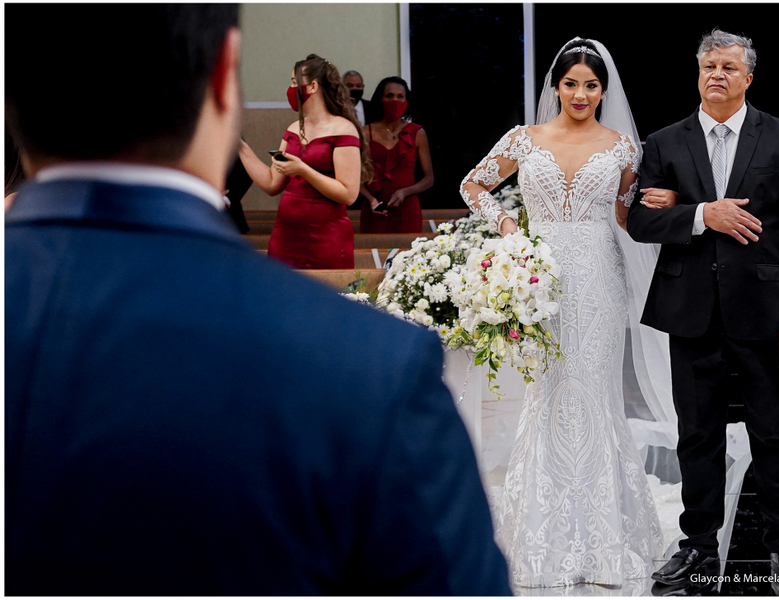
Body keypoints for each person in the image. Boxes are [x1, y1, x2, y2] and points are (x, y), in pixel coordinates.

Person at [5, 5, 510, 595]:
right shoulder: (371, 369)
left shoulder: (340, 136)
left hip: (324, 234)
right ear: (224, 78)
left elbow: (346, 191)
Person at [460, 38, 678, 588]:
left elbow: (627, 218)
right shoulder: (524, 140)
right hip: (540, 280)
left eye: (592, 85)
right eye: (572, 83)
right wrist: (512, 231)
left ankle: (607, 540)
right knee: (548, 392)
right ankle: (539, 533)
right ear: (556, 86)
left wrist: (664, 207)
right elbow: (473, 186)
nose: (581, 94)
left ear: (604, 91)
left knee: (594, 392)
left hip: (600, 281)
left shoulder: (624, 147)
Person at [627, 29, 779, 593]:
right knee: (698, 434)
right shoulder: (665, 143)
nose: (717, 74)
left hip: (764, 311)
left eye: (729, 67)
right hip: (690, 310)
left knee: (773, 432)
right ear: (697, 74)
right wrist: (698, 214)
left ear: (749, 77)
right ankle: (697, 546)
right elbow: (640, 222)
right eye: (709, 65)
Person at [239, 56, 371, 269]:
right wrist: (238, 145)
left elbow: (348, 194)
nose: (290, 89)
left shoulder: (343, 129)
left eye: (293, 82)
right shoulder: (293, 128)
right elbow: (272, 184)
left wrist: (302, 169)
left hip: (326, 235)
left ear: (312, 86)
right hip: (286, 235)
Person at [359, 76, 434, 233]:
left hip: (407, 210)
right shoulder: (366, 133)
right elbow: (355, 177)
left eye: (400, 96)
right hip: (375, 210)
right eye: (390, 96)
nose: (395, 101)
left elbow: (429, 179)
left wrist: (405, 192)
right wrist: (371, 200)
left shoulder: (417, 133)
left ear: (407, 101)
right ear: (381, 98)